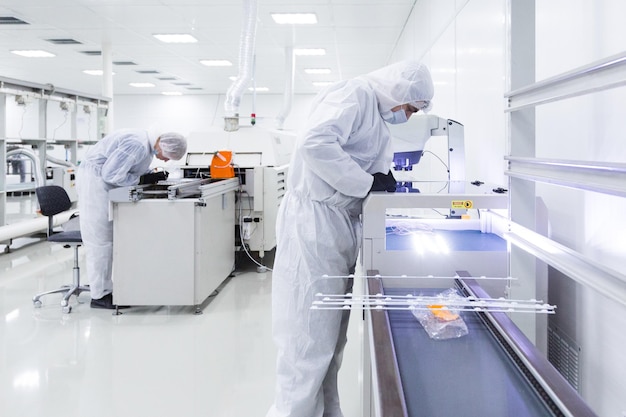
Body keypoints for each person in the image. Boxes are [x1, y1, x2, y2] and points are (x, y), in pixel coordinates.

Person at [265, 60, 434, 417]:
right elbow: (315, 144)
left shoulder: (374, 115)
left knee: (330, 340)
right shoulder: (355, 94)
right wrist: (366, 183)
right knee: (307, 342)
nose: (406, 114)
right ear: (399, 91)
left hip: (337, 225)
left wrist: (377, 178)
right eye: (409, 107)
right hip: (315, 225)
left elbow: (357, 156)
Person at [76, 129, 187, 309]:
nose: (166, 160)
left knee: (110, 240)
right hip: (95, 186)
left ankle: (109, 287)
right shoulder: (138, 144)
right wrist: (142, 178)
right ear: (163, 145)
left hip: (104, 187)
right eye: (168, 156)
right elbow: (111, 174)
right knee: (101, 241)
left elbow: (128, 169)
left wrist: (148, 174)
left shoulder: (147, 148)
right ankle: (99, 296)